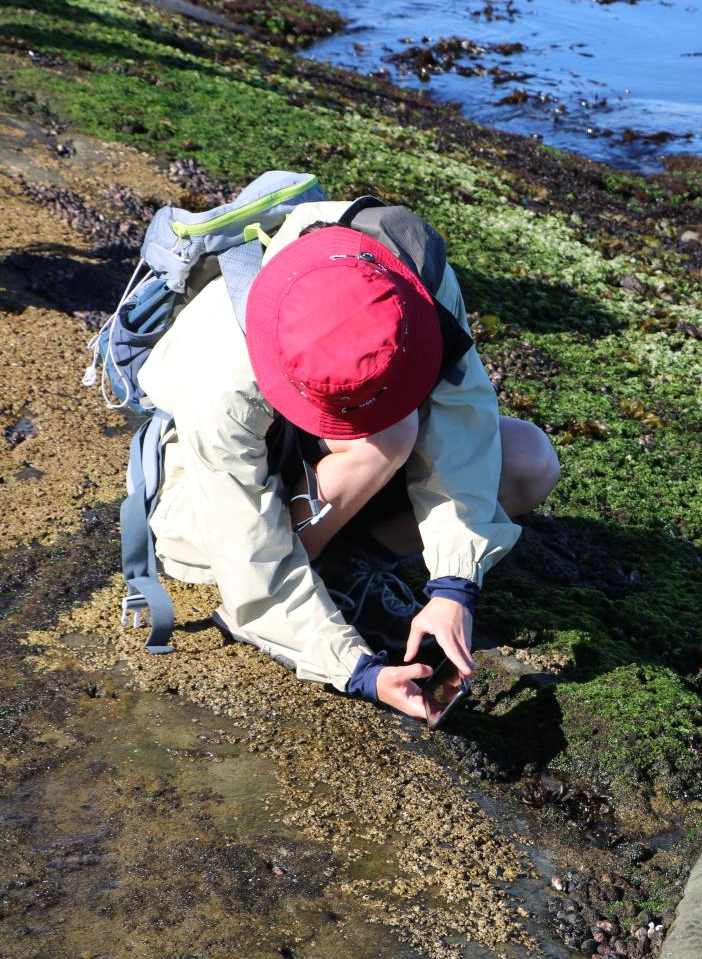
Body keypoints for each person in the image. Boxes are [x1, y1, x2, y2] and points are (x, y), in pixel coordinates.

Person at [135, 200, 560, 720]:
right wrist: (358, 671)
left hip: (319, 460)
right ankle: (319, 568)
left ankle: (349, 563)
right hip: (204, 498)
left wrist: (455, 585)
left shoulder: (409, 267)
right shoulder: (222, 376)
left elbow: (462, 425)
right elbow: (251, 563)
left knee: (527, 460)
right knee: (385, 437)